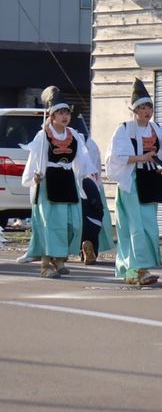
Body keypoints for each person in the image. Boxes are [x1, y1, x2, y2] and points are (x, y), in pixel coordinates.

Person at [105, 80, 162, 285]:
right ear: (135, 110)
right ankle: (135, 270)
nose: (147, 111)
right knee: (133, 226)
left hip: (149, 181)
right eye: (143, 107)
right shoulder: (124, 130)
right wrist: (141, 158)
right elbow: (114, 158)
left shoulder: (156, 129)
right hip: (131, 182)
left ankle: (141, 268)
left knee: (149, 226)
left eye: (149, 107)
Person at [20, 87, 93, 278]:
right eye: (60, 113)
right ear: (51, 116)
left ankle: (59, 259)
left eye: (66, 112)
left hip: (68, 182)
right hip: (48, 183)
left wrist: (87, 174)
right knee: (50, 224)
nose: (64, 116)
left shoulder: (74, 135)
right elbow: (36, 159)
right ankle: (46, 264)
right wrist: (36, 176)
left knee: (70, 224)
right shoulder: (43, 136)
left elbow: (82, 158)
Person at [77, 123, 115, 265]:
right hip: (92, 184)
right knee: (94, 217)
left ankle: (63, 252)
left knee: (75, 218)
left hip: (72, 185)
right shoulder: (89, 142)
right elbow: (95, 167)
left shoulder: (64, 138)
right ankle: (90, 248)